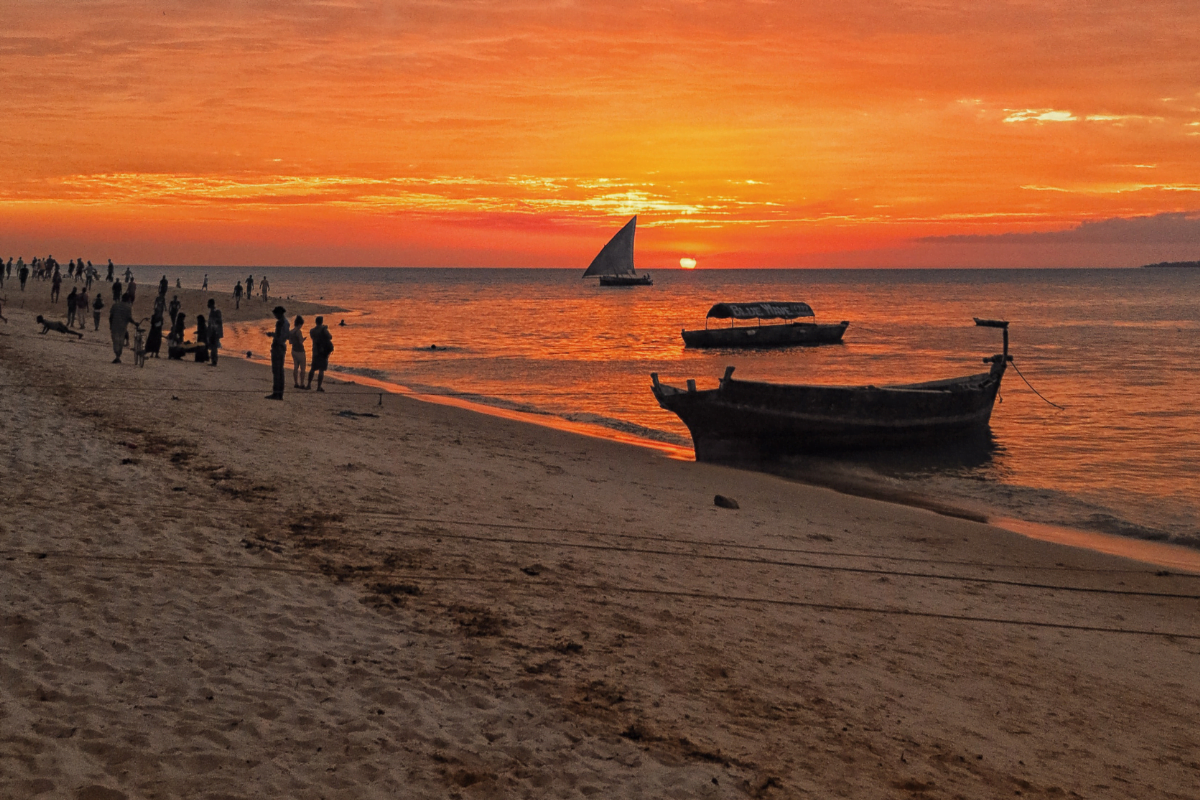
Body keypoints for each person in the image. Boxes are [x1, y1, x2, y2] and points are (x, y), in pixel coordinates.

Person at [266, 306, 289, 400]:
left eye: (275, 314)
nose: (275, 315)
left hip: (278, 347)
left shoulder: (280, 322)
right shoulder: (287, 322)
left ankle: (276, 393)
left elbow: (278, 335)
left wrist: (271, 334)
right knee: (280, 371)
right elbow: (286, 335)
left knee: (276, 371)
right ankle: (280, 393)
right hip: (282, 347)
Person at [307, 315, 333, 392]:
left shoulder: (312, 331)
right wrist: (325, 328)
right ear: (321, 322)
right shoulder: (323, 330)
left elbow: (313, 337)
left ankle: (308, 384)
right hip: (322, 351)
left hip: (315, 351)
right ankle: (318, 387)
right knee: (321, 370)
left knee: (313, 368)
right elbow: (330, 337)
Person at [109, 292, 135, 363]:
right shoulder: (128, 307)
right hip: (123, 327)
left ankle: (117, 355)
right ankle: (118, 356)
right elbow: (129, 318)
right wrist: (135, 323)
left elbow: (111, 317)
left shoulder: (115, 305)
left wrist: (110, 325)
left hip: (115, 326)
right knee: (121, 341)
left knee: (115, 341)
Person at [289, 315, 306, 388]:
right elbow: (300, 341)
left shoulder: (291, 331)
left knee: (295, 367)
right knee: (302, 368)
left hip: (293, 350)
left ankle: (296, 383)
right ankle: (302, 384)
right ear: (299, 324)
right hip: (300, 351)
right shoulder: (298, 332)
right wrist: (303, 339)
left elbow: (290, 342)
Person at [206, 298, 223, 366]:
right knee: (213, 346)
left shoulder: (215, 312)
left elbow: (218, 322)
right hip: (213, 331)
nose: (207, 305)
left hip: (214, 332)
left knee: (214, 347)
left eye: (208, 303)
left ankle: (214, 361)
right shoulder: (213, 311)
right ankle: (213, 360)